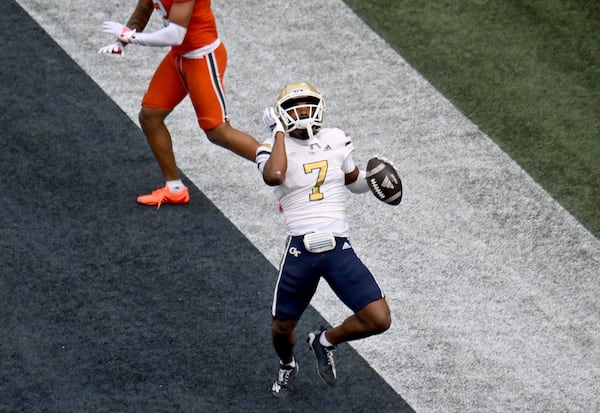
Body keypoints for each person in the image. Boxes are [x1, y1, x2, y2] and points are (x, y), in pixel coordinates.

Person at [256, 82, 392, 398]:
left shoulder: (336, 138)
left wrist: (374, 182)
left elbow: (353, 182)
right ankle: (287, 365)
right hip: (301, 249)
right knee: (281, 327)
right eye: (294, 106)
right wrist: (278, 134)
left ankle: (325, 340)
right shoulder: (270, 148)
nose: (302, 112)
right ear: (281, 114)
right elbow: (273, 175)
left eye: (307, 105)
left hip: (338, 246)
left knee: (379, 319)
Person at [99, 0, 259, 208]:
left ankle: (287, 170)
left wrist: (130, 36)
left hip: (202, 56)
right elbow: (143, 10)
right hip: (180, 57)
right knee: (150, 117)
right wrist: (122, 42)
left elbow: (175, 34)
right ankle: (175, 189)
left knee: (218, 131)